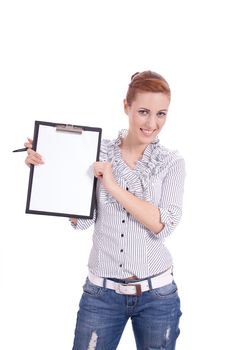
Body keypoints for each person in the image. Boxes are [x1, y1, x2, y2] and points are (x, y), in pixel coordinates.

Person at [25, 70, 185, 350]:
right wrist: (47, 168)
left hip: (158, 296)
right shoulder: (97, 153)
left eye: (161, 114)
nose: (152, 123)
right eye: (144, 112)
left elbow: (164, 225)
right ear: (126, 106)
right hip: (101, 296)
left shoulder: (171, 163)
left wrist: (113, 186)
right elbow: (82, 220)